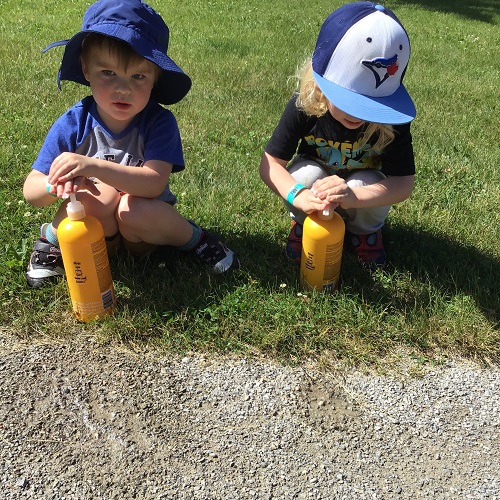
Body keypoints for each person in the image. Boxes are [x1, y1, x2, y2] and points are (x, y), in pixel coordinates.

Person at [24, 0, 239, 289]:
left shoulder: (159, 122)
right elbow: (31, 191)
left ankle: (196, 240)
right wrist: (57, 184)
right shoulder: (74, 123)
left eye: (138, 76)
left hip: (144, 230)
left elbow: (153, 183)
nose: (123, 89)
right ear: (86, 69)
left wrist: (92, 166)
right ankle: (50, 240)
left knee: (132, 207)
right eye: (108, 73)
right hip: (96, 231)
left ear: (155, 77)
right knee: (94, 197)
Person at [260, 2, 416, 267]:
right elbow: (270, 164)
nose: (358, 115)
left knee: (362, 183)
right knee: (305, 175)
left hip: (360, 190)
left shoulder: (390, 121)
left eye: (372, 106)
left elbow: (403, 183)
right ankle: (304, 223)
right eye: (349, 101)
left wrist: (355, 198)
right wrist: (298, 195)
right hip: (316, 186)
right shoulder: (306, 103)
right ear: (321, 83)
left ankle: (364, 232)